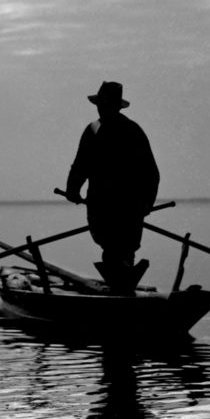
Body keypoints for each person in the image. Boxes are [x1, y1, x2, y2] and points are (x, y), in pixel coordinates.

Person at [65, 81, 160, 287]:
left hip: (123, 207)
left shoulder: (130, 131)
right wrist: (72, 190)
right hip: (107, 205)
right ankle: (122, 284)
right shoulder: (97, 130)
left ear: (115, 106)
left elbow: (150, 172)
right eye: (100, 104)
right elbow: (81, 165)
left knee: (120, 249)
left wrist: (146, 203)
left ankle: (122, 284)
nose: (101, 108)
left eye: (106, 104)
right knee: (115, 248)